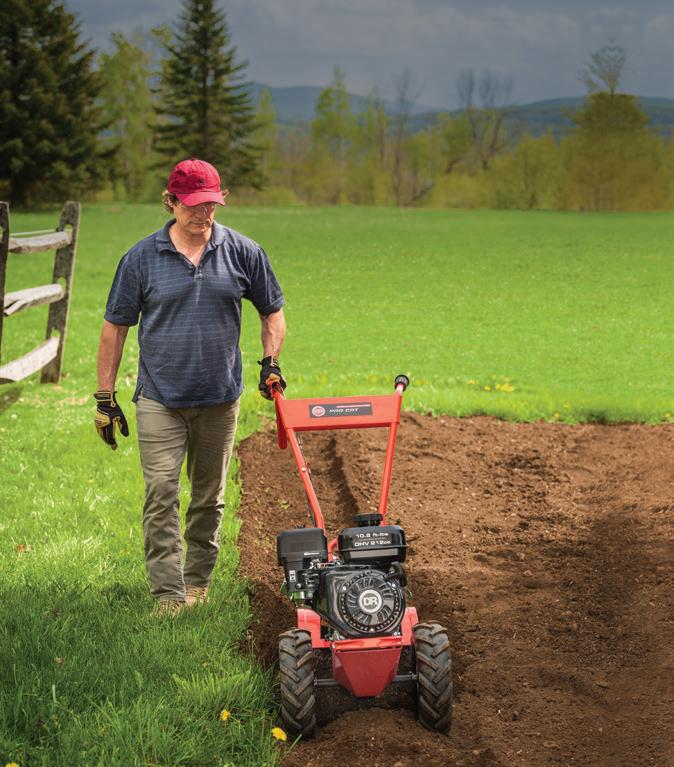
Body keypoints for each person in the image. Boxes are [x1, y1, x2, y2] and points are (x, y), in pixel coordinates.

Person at [94, 158, 286, 615]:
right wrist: (105, 397)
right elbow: (115, 328)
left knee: (208, 498)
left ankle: (197, 582)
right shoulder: (141, 258)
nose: (203, 214)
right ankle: (167, 594)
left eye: (211, 205)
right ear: (171, 201)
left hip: (220, 399)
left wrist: (270, 362)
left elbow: (272, 311)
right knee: (161, 493)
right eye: (194, 205)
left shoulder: (244, 252)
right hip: (160, 398)